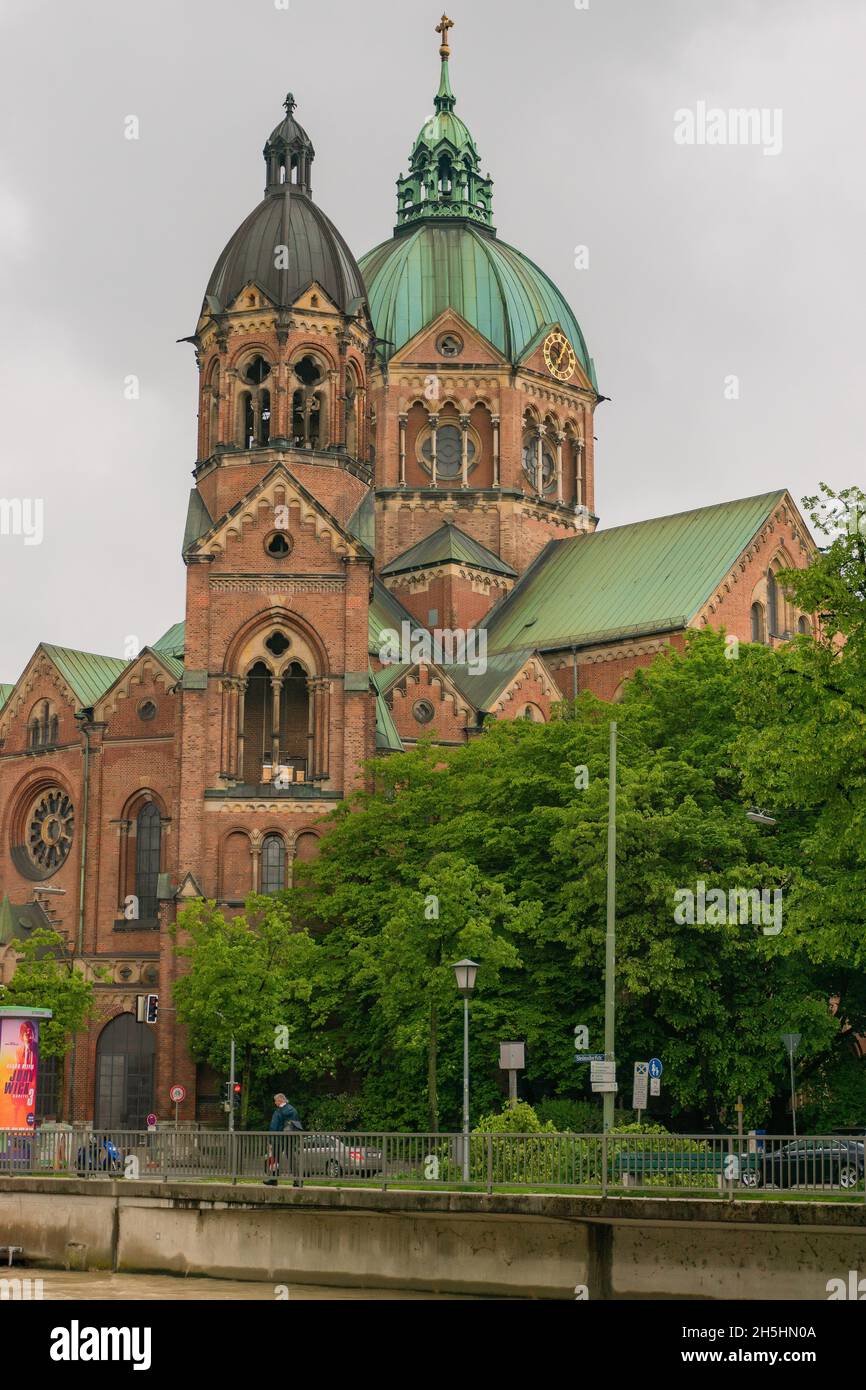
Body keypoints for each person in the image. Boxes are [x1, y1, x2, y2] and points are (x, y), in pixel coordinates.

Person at [264, 1093, 302, 1186]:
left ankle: (274, 1178)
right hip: (289, 1137)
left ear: (280, 1100)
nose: (275, 1103)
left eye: (276, 1101)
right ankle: (298, 1180)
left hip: (278, 1138)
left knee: (275, 1159)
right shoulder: (293, 1110)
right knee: (292, 1159)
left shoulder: (279, 1111)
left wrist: (271, 1139)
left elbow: (274, 1126)